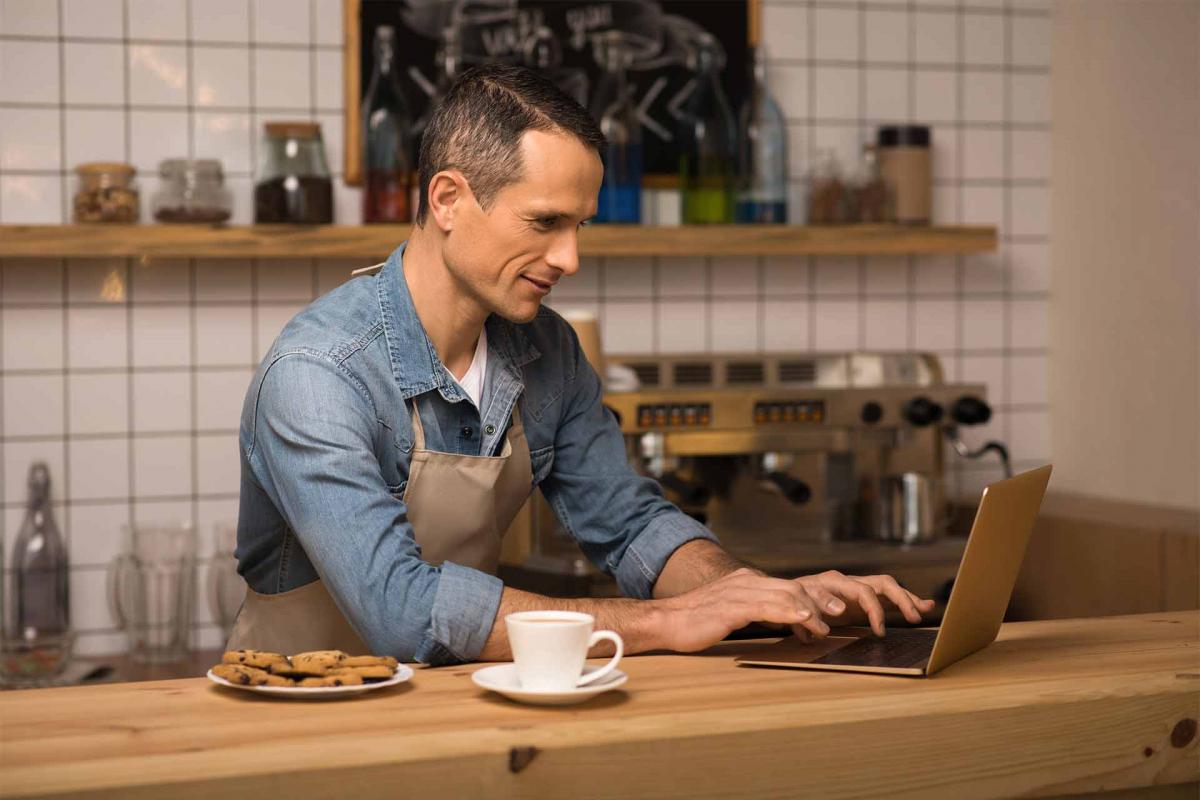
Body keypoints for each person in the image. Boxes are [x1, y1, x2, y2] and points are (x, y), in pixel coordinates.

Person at [228, 64, 934, 664]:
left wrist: (766, 596)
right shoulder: (319, 374)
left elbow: (630, 525)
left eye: (579, 225)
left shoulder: (546, 350)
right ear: (448, 199)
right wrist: (665, 622)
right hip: (305, 716)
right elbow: (401, 609)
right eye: (544, 223)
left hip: (449, 708)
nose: (570, 259)